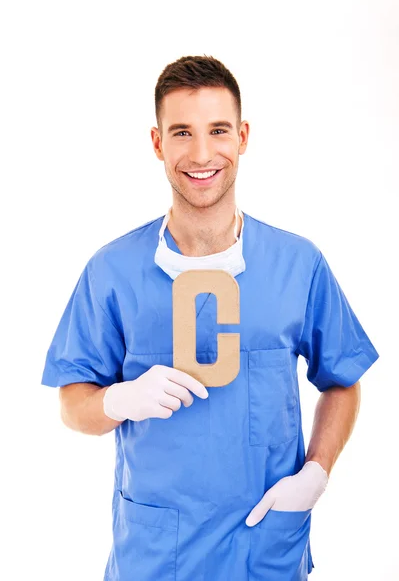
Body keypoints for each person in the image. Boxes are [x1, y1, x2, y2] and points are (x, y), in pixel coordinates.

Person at [41, 55, 379, 581]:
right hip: (155, 558)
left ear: (243, 136)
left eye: (218, 130)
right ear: (157, 143)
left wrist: (317, 471)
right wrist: (118, 398)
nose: (202, 154)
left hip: (264, 547)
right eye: (181, 132)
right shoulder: (112, 272)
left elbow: (343, 381)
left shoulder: (298, 264)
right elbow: (71, 403)